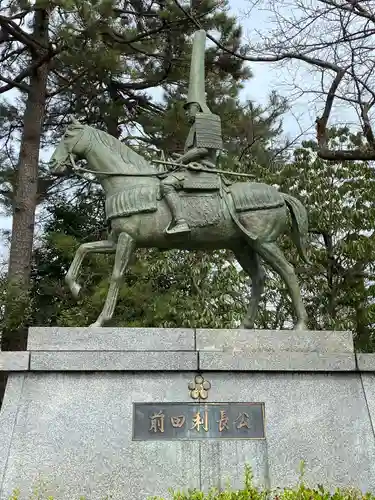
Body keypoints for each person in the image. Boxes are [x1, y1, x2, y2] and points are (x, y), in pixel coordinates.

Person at [161, 30, 223, 235]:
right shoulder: (196, 125)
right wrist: (181, 158)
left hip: (204, 170)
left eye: (189, 107)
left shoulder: (207, 120)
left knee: (167, 185)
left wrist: (181, 160)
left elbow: (203, 150)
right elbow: (194, 151)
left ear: (197, 106)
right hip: (193, 167)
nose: (186, 112)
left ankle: (181, 222)